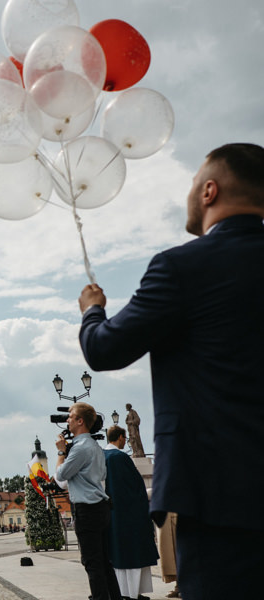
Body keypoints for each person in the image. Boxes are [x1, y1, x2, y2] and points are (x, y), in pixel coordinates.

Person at [78, 143, 264, 600]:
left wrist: (92, 311)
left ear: (209, 191)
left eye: (192, 183)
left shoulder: (183, 267)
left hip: (217, 493)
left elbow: (105, 349)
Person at [53, 402, 120, 600]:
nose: (67, 420)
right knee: (104, 561)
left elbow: (60, 478)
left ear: (80, 421)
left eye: (70, 417)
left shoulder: (80, 448)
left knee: (92, 562)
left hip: (88, 510)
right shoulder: (95, 447)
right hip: (101, 507)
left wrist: (60, 452)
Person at [103, 426, 158, 600]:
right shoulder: (119, 457)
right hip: (128, 515)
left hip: (111, 514)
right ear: (120, 437)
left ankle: (122, 592)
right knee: (132, 555)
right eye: (125, 438)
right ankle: (132, 593)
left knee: (117, 555)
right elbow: (135, 487)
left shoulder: (102, 456)